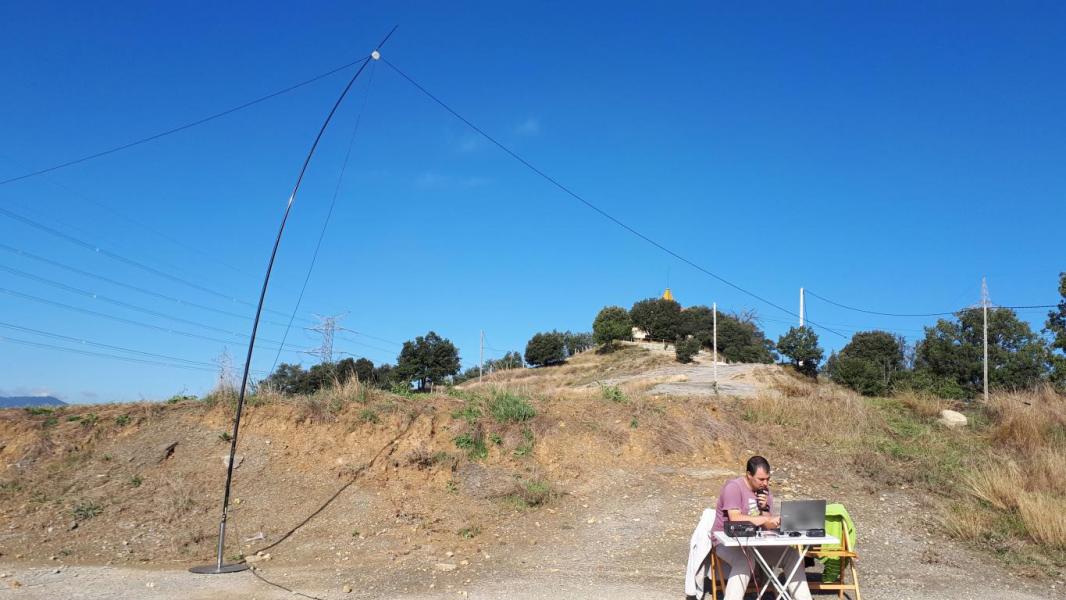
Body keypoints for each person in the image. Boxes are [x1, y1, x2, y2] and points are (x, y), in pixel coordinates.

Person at [710, 455, 812, 600]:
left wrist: (765, 509)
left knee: (792, 555)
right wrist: (764, 519)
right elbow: (735, 518)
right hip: (726, 542)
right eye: (761, 479)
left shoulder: (764, 492)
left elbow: (768, 525)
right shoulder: (733, 488)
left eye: (768, 479)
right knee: (745, 559)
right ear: (749, 475)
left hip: (755, 543)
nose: (765, 483)